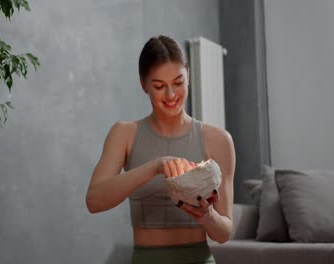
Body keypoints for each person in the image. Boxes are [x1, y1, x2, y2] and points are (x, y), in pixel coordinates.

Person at [86, 35, 236, 264]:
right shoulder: (124, 134)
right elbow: (94, 201)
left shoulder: (219, 140)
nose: (171, 95)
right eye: (159, 86)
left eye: (178, 82)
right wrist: (155, 166)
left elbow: (224, 233)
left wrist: (208, 217)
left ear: (189, 76)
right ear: (143, 84)